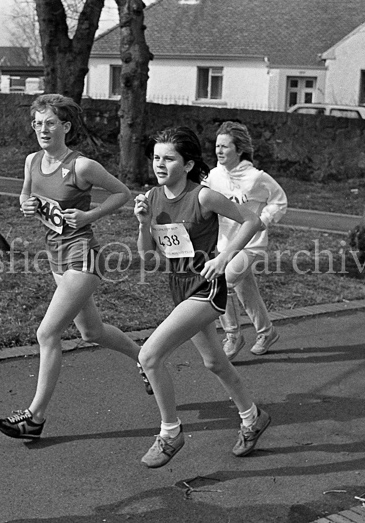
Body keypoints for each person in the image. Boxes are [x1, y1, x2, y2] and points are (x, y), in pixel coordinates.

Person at [0, 94, 148, 440]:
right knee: (91, 332)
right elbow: (25, 195)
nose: (43, 129)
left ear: (65, 127)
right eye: (37, 123)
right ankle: (145, 357)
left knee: (46, 333)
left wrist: (89, 215)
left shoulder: (81, 166)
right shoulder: (32, 160)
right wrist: (26, 206)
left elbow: (121, 192)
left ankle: (34, 417)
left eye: (50, 123)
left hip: (83, 256)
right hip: (55, 256)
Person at [133, 126, 271, 468]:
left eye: (169, 158)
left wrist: (224, 257)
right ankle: (253, 418)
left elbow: (253, 221)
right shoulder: (152, 197)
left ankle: (169, 433)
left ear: (190, 164)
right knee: (214, 362)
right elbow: (147, 255)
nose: (160, 165)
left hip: (206, 289)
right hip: (178, 289)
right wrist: (142, 223)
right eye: (156, 158)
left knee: (149, 356)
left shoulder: (204, 196)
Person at [203, 121, 287, 359]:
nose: (219, 151)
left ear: (239, 150)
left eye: (225, 147)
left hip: (251, 244)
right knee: (246, 291)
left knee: (222, 280)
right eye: (217, 146)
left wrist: (264, 220)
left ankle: (232, 336)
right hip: (225, 244)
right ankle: (267, 331)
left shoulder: (256, 178)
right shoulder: (213, 175)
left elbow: (279, 200)